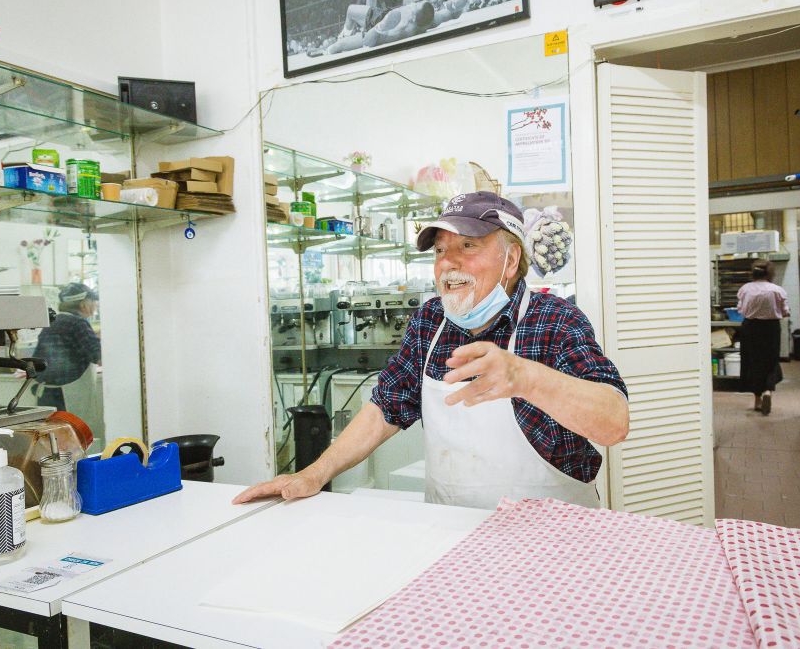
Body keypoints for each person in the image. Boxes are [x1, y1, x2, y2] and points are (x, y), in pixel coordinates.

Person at [235, 192, 629, 510]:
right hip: (452, 533)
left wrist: (525, 377)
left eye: (468, 246)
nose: (448, 264)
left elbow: (614, 422)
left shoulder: (555, 320)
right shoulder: (430, 320)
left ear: (510, 260)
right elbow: (385, 408)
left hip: (553, 538)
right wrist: (315, 474)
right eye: (440, 251)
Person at [32, 283, 103, 436]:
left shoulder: (53, 322)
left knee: (51, 440)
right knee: (72, 441)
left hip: (46, 395)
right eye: (93, 301)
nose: (95, 305)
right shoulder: (79, 324)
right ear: (84, 304)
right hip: (68, 397)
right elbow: (98, 355)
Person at [736, 261, 790, 415]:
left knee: (753, 361)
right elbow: (785, 312)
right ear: (770, 273)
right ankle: (768, 390)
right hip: (771, 328)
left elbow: (741, 310)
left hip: (750, 328)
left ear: (753, 273)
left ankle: (757, 400)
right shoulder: (777, 290)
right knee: (770, 361)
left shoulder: (745, 289)